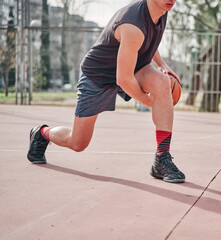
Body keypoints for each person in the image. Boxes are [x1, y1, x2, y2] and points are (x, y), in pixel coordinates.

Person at [27, 0, 185, 183]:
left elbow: (147, 39)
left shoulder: (161, 10)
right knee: (77, 142)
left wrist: (162, 65)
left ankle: (162, 157)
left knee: (162, 82)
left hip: (132, 66)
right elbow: (123, 79)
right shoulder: (132, 22)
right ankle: (42, 133)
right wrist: (148, 101)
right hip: (98, 75)